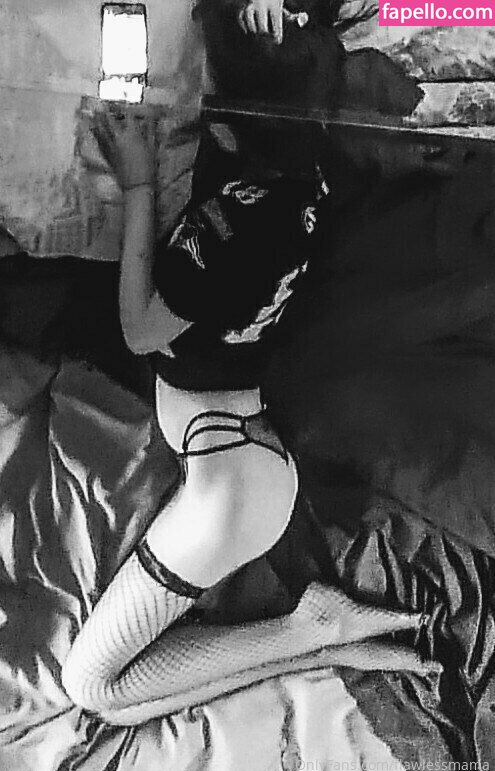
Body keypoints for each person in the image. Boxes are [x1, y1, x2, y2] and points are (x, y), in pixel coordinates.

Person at [61, 2, 415, 726]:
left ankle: (311, 633)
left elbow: (139, 330)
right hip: (234, 451)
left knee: (95, 689)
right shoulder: (303, 160)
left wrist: (138, 186)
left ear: (221, 126)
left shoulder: (235, 229)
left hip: (233, 482)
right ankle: (314, 637)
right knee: (105, 689)